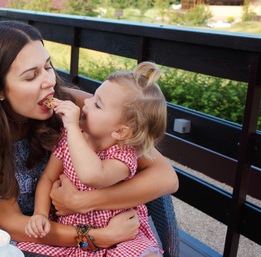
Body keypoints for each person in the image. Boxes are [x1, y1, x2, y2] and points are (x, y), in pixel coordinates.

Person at [0, 20, 178, 249]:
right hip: (44, 236)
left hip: (106, 223)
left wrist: (84, 201)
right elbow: (15, 224)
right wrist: (97, 237)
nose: (49, 81)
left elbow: (166, 177)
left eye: (48, 67)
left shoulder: (77, 107)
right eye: (31, 76)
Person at [18, 62, 166, 256]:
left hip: (120, 235)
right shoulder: (69, 138)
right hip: (75, 235)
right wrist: (40, 214)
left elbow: (92, 175)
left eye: (97, 104)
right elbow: (48, 178)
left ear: (120, 131)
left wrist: (71, 128)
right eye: (93, 96)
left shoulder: (123, 156)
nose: (86, 102)